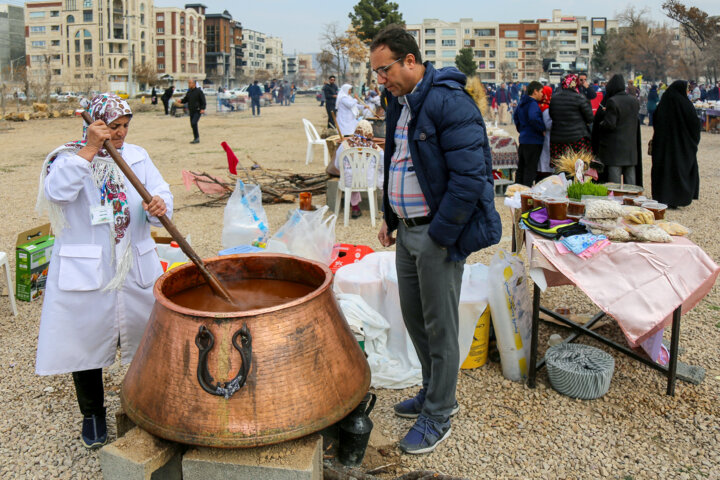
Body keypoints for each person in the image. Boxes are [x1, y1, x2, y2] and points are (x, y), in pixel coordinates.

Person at [370, 25, 501, 455]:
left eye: (383, 69)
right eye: (375, 72)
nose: (379, 79)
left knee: (440, 325)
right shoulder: (400, 105)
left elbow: (470, 179)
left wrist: (440, 238)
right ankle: (432, 391)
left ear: (410, 61)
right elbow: (397, 163)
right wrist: (391, 217)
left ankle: (440, 412)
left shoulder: (448, 102)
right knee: (414, 318)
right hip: (408, 233)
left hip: (435, 234)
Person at [35, 93, 173, 449]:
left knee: (146, 337)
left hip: (133, 263)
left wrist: (159, 206)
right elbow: (57, 194)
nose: (121, 133)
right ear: (93, 125)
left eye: (125, 126)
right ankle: (93, 413)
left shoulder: (137, 157)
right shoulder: (66, 158)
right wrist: (88, 152)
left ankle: (142, 403)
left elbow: (160, 192)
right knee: (86, 343)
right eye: (114, 126)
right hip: (89, 268)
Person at [651, 80, 702, 208]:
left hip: (663, 145)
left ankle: (662, 196)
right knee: (679, 169)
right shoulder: (686, 104)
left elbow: (656, 121)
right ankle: (677, 198)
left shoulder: (664, 103)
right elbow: (695, 125)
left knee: (664, 170)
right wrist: (692, 141)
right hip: (682, 146)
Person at [327, 120, 384, 218]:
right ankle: (385, 208)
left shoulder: (344, 145)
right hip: (370, 182)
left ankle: (355, 208)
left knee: (351, 174)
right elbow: (383, 164)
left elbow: (337, 165)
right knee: (383, 176)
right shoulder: (375, 147)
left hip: (348, 182)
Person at [592, 74, 641, 186]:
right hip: (630, 148)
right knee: (631, 183)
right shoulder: (634, 101)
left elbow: (610, 124)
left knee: (615, 184)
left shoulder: (612, 101)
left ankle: (616, 203)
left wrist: (601, 122)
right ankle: (631, 201)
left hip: (615, 150)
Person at [548, 74, 593, 162]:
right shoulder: (580, 98)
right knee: (577, 166)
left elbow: (551, 115)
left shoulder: (554, 98)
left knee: (560, 166)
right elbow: (590, 118)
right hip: (577, 138)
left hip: (558, 138)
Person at [513, 81, 546, 186]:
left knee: (521, 168)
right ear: (535, 91)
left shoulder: (521, 102)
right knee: (530, 169)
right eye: (541, 92)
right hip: (533, 140)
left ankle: (517, 193)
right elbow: (533, 118)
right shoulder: (532, 104)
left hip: (523, 139)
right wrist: (542, 128)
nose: (542, 94)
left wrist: (521, 129)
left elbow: (515, 117)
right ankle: (525, 193)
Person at [180, 79, 206, 144]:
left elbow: (203, 101)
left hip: (197, 110)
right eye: (188, 83)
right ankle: (195, 138)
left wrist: (203, 108)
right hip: (191, 111)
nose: (189, 84)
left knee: (194, 123)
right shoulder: (189, 92)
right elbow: (185, 99)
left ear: (194, 84)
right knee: (192, 124)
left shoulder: (199, 91)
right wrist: (181, 101)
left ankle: (197, 138)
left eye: (190, 83)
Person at [537, 85, 554, 182]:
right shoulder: (546, 109)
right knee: (545, 159)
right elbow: (548, 124)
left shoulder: (538, 106)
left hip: (540, 137)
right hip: (547, 137)